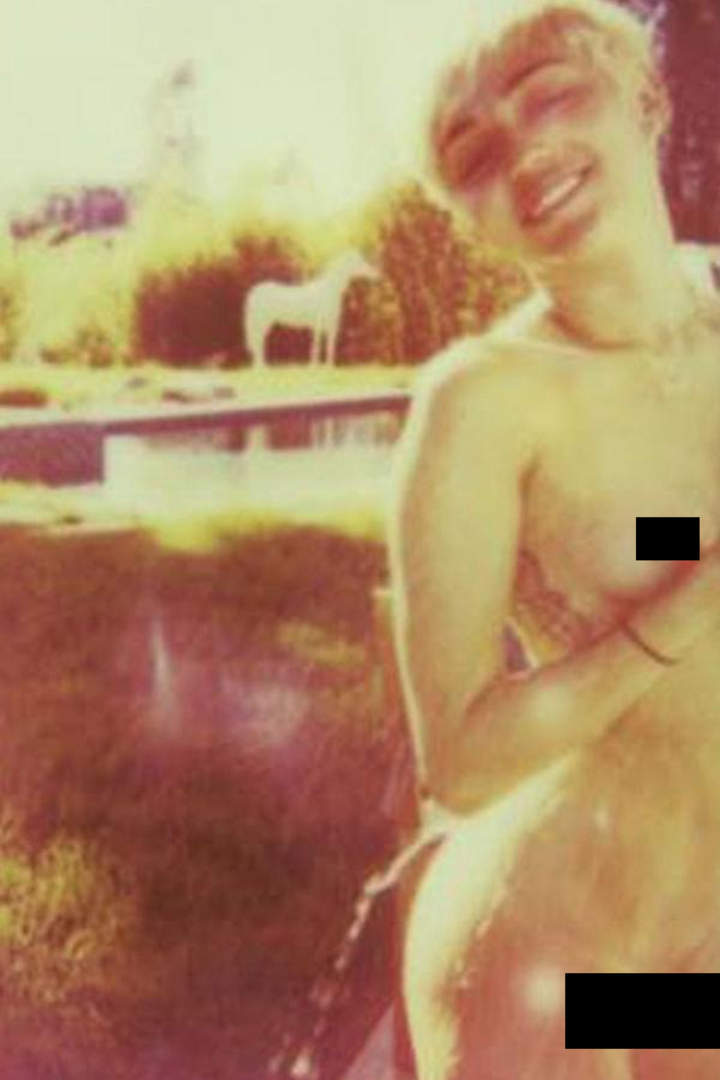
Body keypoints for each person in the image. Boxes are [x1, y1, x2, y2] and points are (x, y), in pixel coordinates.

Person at [388, 2, 720, 1077]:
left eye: (554, 95)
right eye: (474, 154)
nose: (524, 150)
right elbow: (461, 761)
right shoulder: (485, 402)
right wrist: (690, 602)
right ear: (469, 219)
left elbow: (679, 523)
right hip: (569, 956)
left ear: (647, 100)